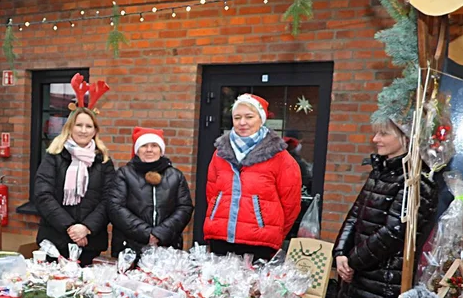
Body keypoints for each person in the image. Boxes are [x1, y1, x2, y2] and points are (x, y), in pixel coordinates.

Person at [331, 119, 438, 298]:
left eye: (383, 134)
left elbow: (394, 233)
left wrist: (353, 261)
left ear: (406, 138)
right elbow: (355, 214)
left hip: (383, 282)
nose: (375, 139)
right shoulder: (381, 171)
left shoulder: (416, 180)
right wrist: (340, 252)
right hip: (360, 277)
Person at [203, 94, 302, 261]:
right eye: (237, 117)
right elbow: (212, 194)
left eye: (249, 117)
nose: (242, 122)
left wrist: (272, 231)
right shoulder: (219, 154)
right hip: (220, 237)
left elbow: (290, 204)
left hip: (260, 242)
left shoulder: (280, 157)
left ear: (261, 119)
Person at [33, 93, 115, 266]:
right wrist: (70, 227)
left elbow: (109, 199)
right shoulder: (54, 156)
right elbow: (42, 195)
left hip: (90, 242)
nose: (83, 130)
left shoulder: (104, 161)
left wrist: (86, 228)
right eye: (79, 125)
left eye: (88, 126)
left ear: (95, 130)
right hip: (55, 241)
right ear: (70, 127)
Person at [109, 127, 193, 256]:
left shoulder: (176, 176)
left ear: (161, 150)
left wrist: (160, 233)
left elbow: (184, 207)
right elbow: (115, 207)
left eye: (154, 145)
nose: (149, 150)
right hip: (130, 248)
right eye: (144, 146)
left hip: (167, 247)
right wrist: (147, 233)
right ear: (137, 150)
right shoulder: (124, 174)